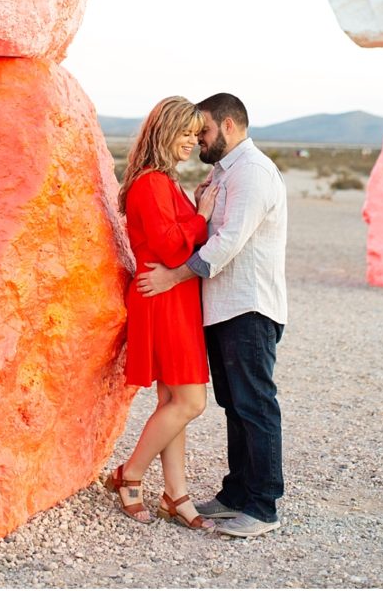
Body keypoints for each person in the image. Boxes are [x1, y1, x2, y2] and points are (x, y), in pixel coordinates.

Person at [137, 92, 287, 538]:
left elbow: (225, 244)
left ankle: (262, 506)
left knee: (255, 405)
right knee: (234, 405)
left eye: (202, 130)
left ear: (228, 126)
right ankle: (236, 494)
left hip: (249, 306)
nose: (199, 139)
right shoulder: (224, 172)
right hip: (222, 308)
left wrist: (172, 277)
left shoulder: (253, 172)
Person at [105, 96, 219, 529]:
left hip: (174, 297)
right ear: (164, 132)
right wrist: (202, 215)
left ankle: (176, 494)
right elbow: (171, 247)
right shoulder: (151, 182)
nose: (191, 141)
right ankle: (130, 475)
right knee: (190, 401)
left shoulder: (164, 181)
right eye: (184, 133)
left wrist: (194, 210)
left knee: (173, 401)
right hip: (163, 298)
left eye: (195, 134)